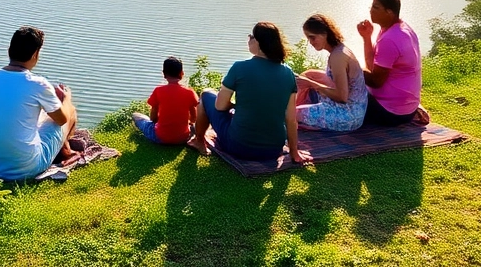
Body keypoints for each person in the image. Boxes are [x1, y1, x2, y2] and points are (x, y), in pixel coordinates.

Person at [187, 22, 313, 165]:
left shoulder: (239, 68)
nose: (249, 38)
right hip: (273, 149)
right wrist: (294, 152)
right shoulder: (288, 73)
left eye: (251, 36)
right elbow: (291, 119)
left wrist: (235, 106)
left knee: (206, 94)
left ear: (259, 43)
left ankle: (198, 141)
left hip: (239, 146)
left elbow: (220, 106)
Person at [0, 26, 78, 180]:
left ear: (9, 50)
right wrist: (66, 99)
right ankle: (66, 152)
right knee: (68, 110)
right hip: (25, 169)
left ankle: (62, 149)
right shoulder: (38, 84)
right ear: (35, 54)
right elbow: (61, 120)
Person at [357, 0, 423, 127]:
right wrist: (367, 37)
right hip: (406, 109)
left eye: (376, 7)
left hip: (390, 112)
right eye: (371, 7)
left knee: (338, 91)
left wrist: (352, 69)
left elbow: (376, 82)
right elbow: (372, 66)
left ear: (389, 12)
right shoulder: (399, 29)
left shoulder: (390, 39)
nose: (371, 11)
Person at [294, 13, 368, 132]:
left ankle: (297, 115)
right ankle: (301, 108)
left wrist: (312, 84)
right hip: (355, 108)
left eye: (312, 37)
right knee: (310, 74)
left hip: (349, 116)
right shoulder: (338, 49)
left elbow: (342, 97)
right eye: (308, 38)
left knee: (291, 114)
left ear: (325, 34)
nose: (311, 42)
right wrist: (310, 80)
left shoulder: (338, 57)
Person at [131, 57, 199, 145]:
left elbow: (153, 118)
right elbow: (194, 118)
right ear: (182, 73)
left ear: (164, 74)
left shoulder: (158, 91)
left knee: (136, 116)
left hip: (160, 137)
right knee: (193, 127)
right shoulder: (190, 92)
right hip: (183, 138)